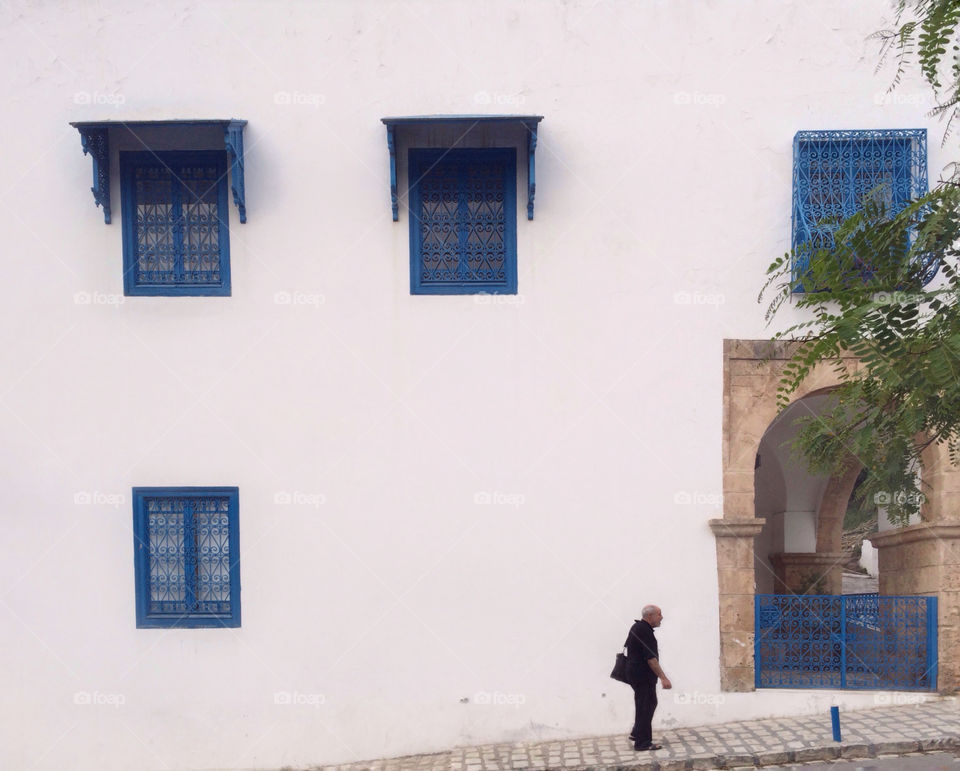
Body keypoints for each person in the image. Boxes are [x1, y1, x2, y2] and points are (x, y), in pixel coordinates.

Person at [625, 604, 671, 751]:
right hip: (642, 676)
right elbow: (651, 659)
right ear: (650, 616)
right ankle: (642, 743)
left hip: (636, 674)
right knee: (645, 706)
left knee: (647, 704)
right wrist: (664, 678)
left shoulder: (638, 627)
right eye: (659, 614)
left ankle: (637, 733)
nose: (661, 617)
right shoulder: (644, 631)